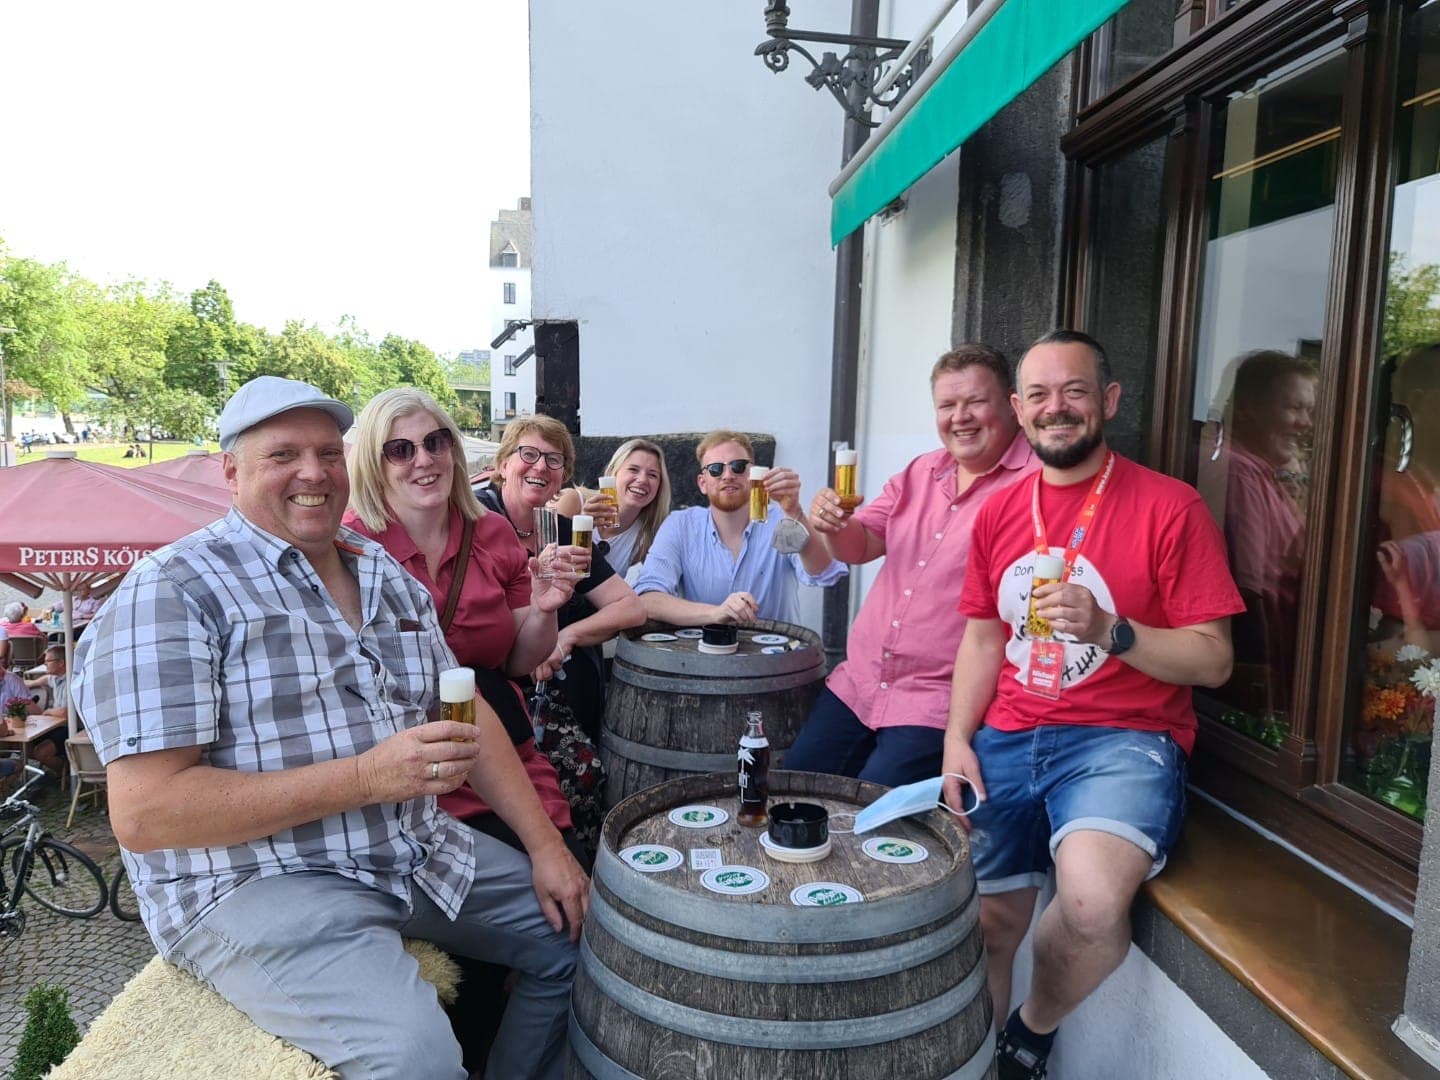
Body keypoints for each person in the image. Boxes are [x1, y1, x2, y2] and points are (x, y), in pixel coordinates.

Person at [72, 376, 587, 1080]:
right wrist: (365, 778)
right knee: (419, 1059)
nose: (312, 473)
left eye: (325, 453)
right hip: (257, 880)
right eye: (282, 455)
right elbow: (146, 813)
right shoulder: (174, 588)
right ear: (231, 472)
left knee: (581, 937)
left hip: (408, 849)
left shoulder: (380, 572)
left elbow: (464, 715)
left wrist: (546, 846)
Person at [941, 331, 1243, 1079]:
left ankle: (1029, 1035)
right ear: (1018, 410)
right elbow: (983, 642)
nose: (1057, 408)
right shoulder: (998, 511)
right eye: (1039, 395)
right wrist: (956, 741)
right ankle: (982, 1067)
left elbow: (1214, 658)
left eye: (1075, 391)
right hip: (1009, 733)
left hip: (1123, 739)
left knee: (1086, 907)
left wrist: (1111, 631)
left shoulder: (1172, 508)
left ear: (1107, 401)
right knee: (987, 921)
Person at [785, 344, 1038, 786]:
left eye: (976, 402)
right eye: (947, 405)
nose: (960, 417)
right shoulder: (921, 472)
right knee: (793, 791)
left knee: (879, 822)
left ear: (1012, 406)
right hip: (861, 681)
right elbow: (858, 546)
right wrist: (832, 522)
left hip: (935, 700)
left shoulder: (1035, 486)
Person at [474, 417, 645, 784]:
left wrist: (566, 639)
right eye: (529, 454)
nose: (541, 466)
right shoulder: (474, 521)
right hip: (488, 687)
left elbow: (631, 607)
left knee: (587, 779)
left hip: (549, 687)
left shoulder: (562, 531)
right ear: (503, 465)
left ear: (563, 475)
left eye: (554, 460)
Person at [633, 430, 846, 626]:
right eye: (715, 469)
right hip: (703, 660)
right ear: (702, 483)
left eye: (738, 466)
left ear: (754, 474)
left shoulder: (781, 519)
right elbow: (648, 598)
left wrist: (795, 512)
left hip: (775, 659)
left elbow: (824, 573)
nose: (727, 475)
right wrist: (716, 613)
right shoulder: (681, 525)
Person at [556, 437, 672, 581]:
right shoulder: (572, 501)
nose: (642, 480)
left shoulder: (646, 535)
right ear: (613, 473)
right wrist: (581, 524)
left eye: (652, 475)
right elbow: (543, 558)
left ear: (660, 486)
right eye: (633, 469)